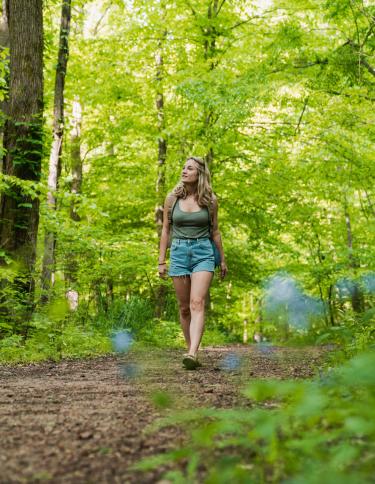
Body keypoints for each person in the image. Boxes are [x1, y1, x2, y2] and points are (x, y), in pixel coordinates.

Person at [158, 156, 227, 370]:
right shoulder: (172, 198)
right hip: (178, 252)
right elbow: (166, 230)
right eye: (183, 168)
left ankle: (192, 352)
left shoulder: (210, 200)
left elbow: (215, 231)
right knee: (184, 307)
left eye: (190, 168)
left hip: (203, 252)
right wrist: (161, 261)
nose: (184, 171)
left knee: (197, 302)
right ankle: (190, 350)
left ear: (200, 174)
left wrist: (222, 260)